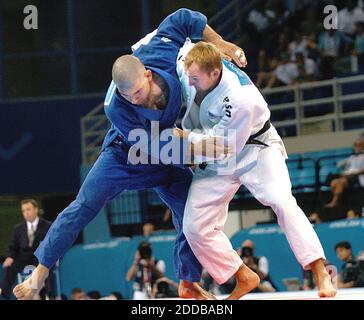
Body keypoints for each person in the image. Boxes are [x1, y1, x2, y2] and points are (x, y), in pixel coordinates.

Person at [13, 9, 246, 300]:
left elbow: (184, 17)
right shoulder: (115, 106)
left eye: (139, 92)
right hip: (125, 156)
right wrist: (199, 147)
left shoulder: (159, 50)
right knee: (83, 205)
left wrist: (220, 43)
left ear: (147, 74)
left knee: (192, 212)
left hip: (165, 156)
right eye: (130, 97)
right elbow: (157, 146)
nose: (137, 100)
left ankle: (188, 282)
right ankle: (42, 269)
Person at [174, 41, 337, 299]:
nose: (189, 83)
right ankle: (243, 275)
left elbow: (223, 146)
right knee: (194, 227)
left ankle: (319, 270)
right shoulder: (190, 64)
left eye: (195, 78)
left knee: (281, 200)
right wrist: (221, 42)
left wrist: (184, 139)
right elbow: (181, 26)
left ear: (215, 73)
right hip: (217, 150)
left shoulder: (241, 98)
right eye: (188, 76)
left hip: (255, 147)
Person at [0, 199, 51, 300]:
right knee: (10, 267)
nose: (26, 213)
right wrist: (9, 257)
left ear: (36, 209)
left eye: (28, 209)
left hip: (40, 256)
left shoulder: (47, 225)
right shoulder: (18, 228)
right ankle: (4, 294)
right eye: (23, 210)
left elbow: (50, 244)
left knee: (47, 266)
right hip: (23, 257)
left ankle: (46, 294)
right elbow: (13, 246)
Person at [325, 137, 364, 208]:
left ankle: (334, 202)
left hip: (357, 177)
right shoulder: (352, 157)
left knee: (339, 182)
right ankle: (338, 200)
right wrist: (345, 169)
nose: (357, 148)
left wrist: (354, 172)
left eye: (359, 146)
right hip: (348, 175)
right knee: (334, 182)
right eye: (356, 146)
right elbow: (339, 165)